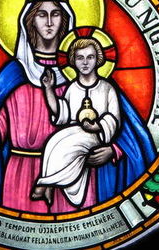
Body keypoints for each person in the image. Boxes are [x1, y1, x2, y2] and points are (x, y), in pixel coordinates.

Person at [0, 0, 156, 213]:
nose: (49, 22)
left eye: (56, 14)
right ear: (29, 20)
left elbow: (124, 129)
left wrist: (113, 150)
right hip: (21, 178)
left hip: (76, 173)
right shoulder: (15, 74)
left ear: (65, 19)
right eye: (41, 14)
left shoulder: (83, 75)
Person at [32, 37, 121, 207]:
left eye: (90, 57)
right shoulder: (72, 88)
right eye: (80, 58)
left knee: (67, 144)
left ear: (98, 59)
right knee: (52, 142)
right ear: (73, 61)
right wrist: (49, 89)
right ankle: (50, 184)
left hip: (96, 136)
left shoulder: (107, 88)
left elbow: (114, 118)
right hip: (74, 132)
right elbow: (62, 112)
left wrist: (98, 126)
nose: (85, 62)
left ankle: (44, 183)